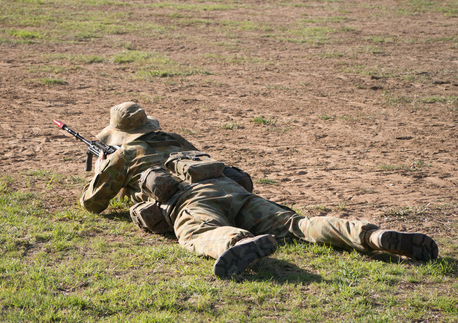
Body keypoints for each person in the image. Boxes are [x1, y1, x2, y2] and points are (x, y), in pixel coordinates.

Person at [80, 102, 439, 278]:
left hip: (189, 201)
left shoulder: (122, 154)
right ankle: (372, 237)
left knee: (197, 233)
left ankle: (238, 243)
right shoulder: (175, 139)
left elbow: (92, 204)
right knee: (298, 225)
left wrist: (102, 167)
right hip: (229, 187)